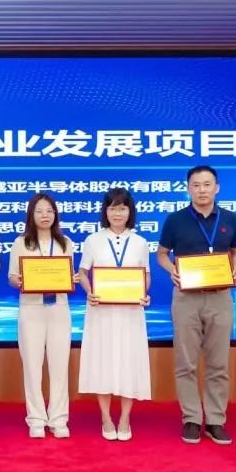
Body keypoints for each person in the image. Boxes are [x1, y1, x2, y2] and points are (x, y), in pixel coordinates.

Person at [157, 165, 236, 446]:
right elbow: (162, 254)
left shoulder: (230, 218)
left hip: (220, 297)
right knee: (186, 362)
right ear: (188, 189)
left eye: (207, 184)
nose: (202, 190)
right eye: (196, 185)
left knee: (218, 363)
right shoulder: (175, 220)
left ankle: (216, 420)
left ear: (217, 188)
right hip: (186, 298)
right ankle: (191, 418)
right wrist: (171, 270)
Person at [77, 188, 152, 441]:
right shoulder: (93, 240)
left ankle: (125, 418)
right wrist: (89, 292)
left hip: (131, 312)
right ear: (105, 211)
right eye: (112, 208)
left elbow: (146, 275)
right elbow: (83, 272)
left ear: (130, 211)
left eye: (122, 208)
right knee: (103, 362)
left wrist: (144, 294)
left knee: (129, 362)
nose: (117, 213)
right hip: (101, 311)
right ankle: (106, 417)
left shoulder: (140, 242)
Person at [7, 193, 78, 439]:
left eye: (49, 211)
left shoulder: (65, 243)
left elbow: (68, 275)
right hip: (31, 309)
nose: (45, 215)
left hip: (59, 308)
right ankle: (36, 419)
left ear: (55, 214)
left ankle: (59, 418)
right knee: (32, 366)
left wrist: (70, 280)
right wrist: (22, 281)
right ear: (31, 215)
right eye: (39, 211)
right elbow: (12, 277)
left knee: (59, 366)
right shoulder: (21, 243)